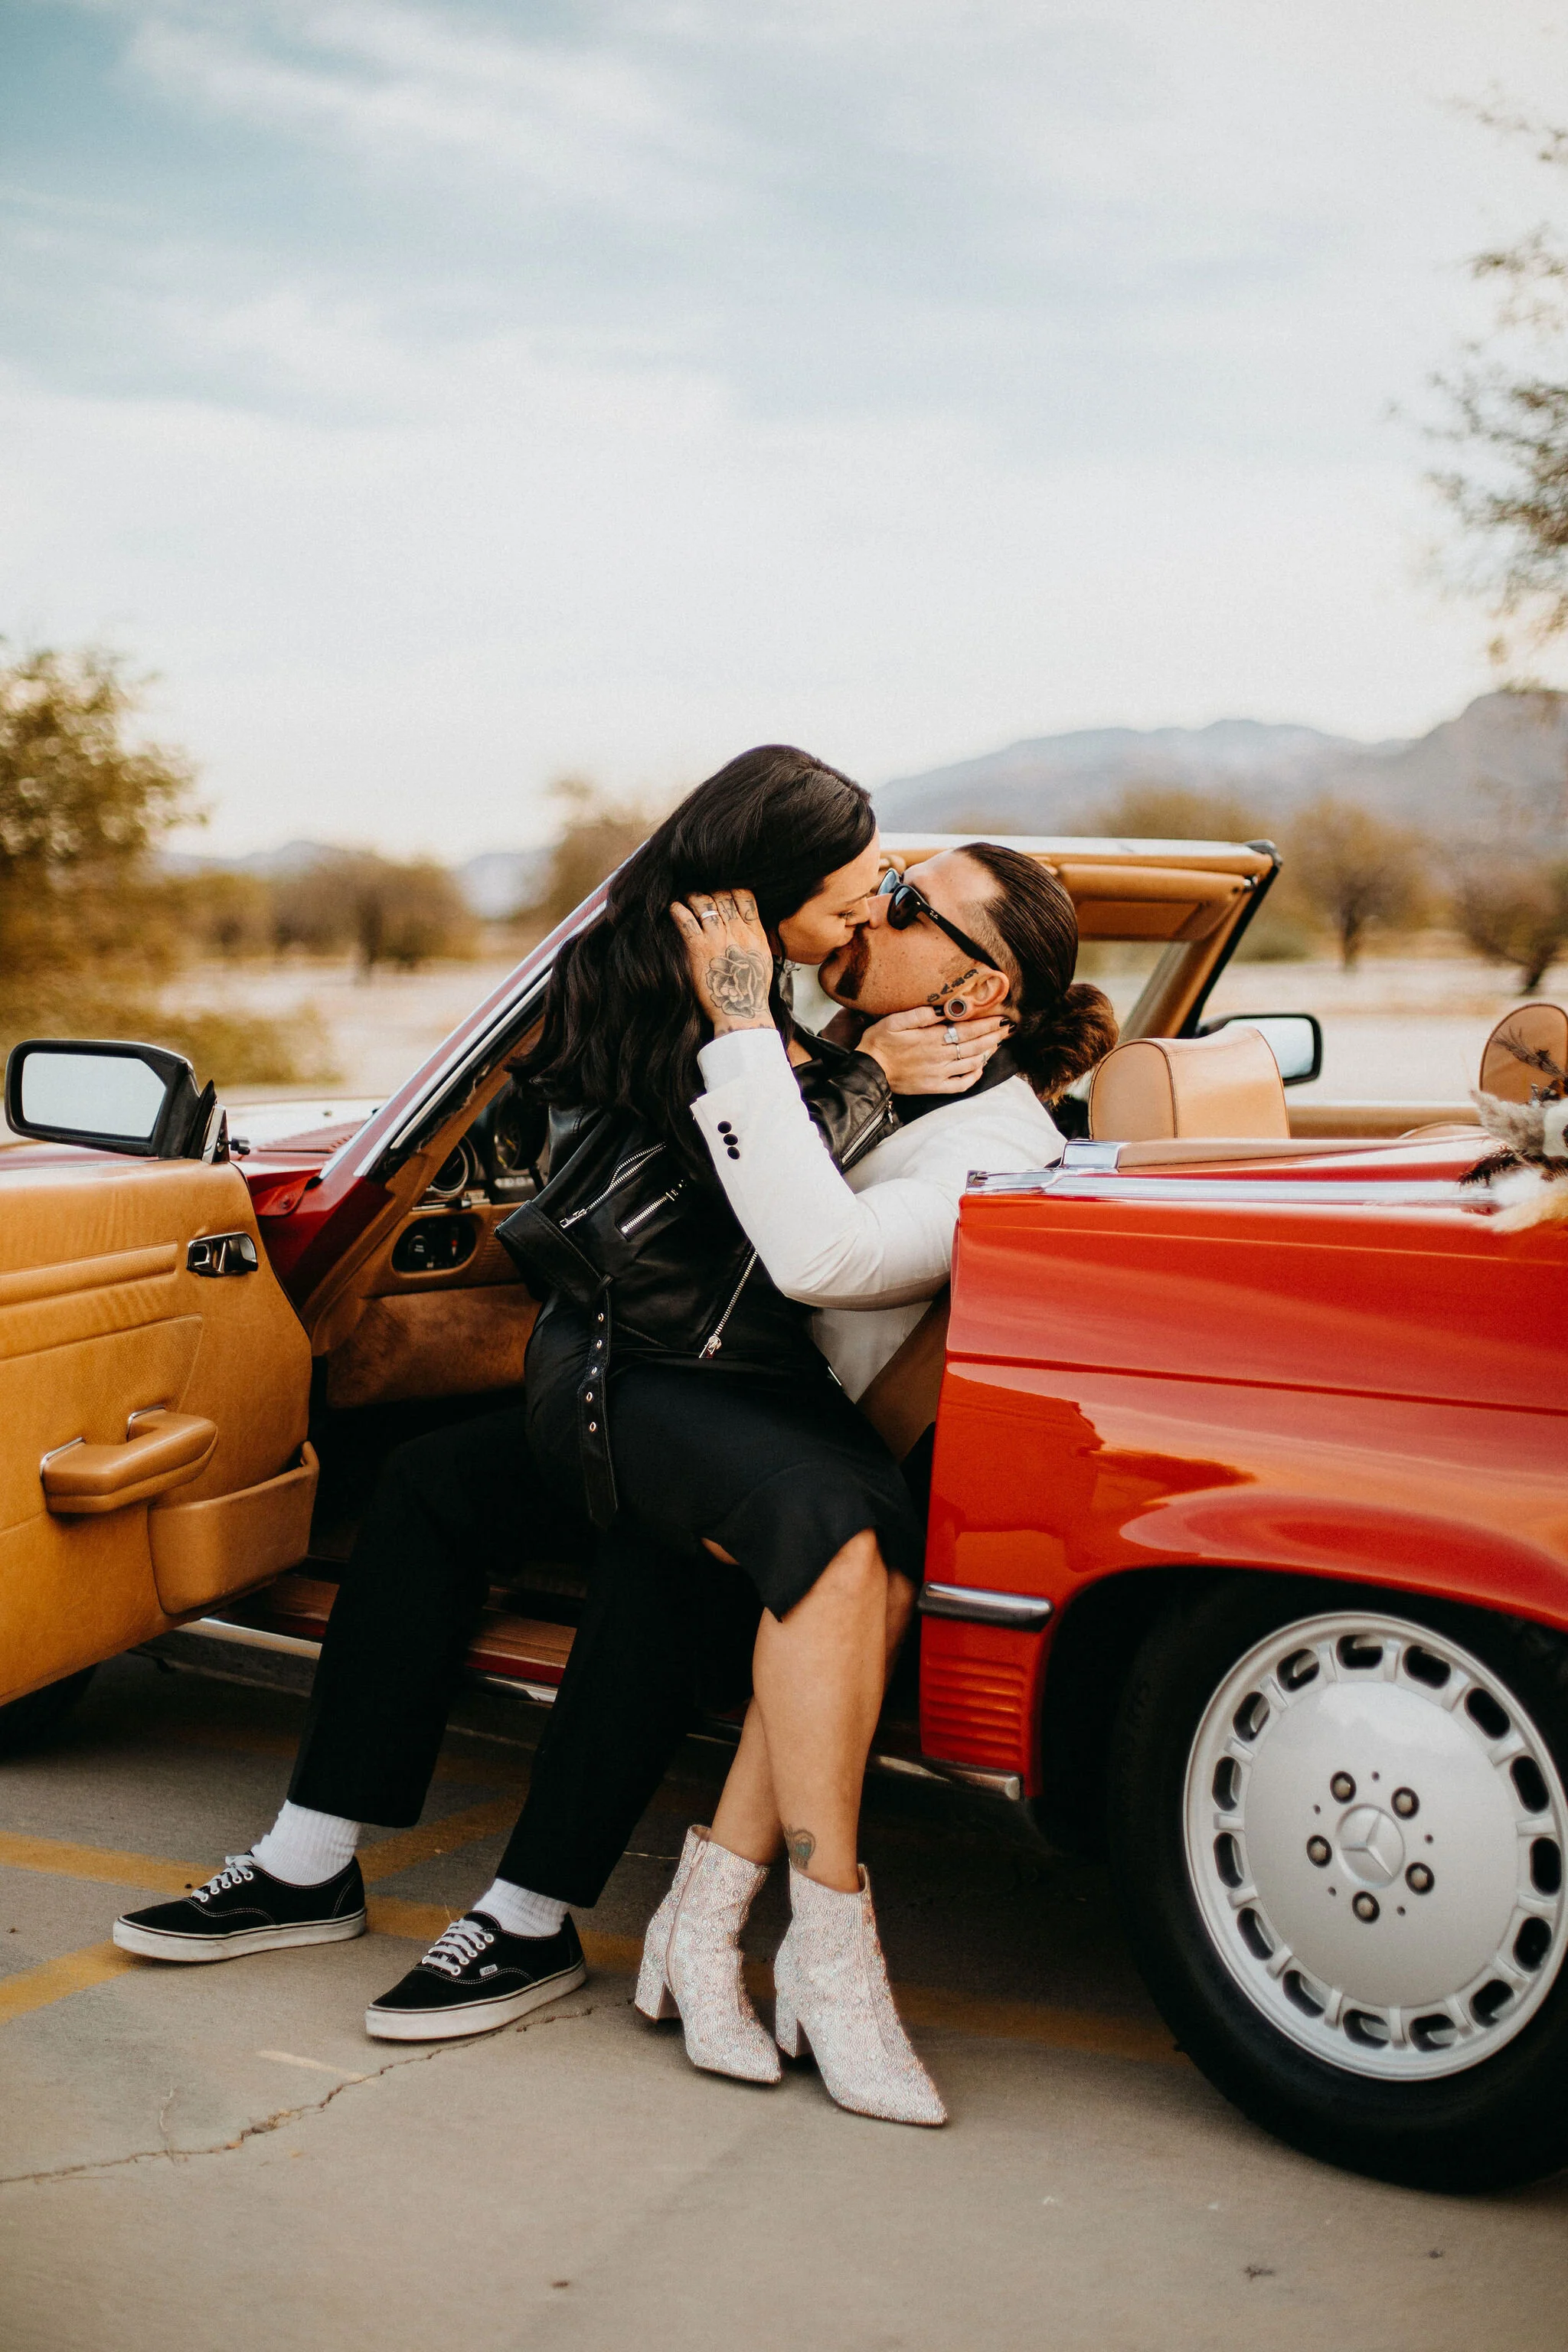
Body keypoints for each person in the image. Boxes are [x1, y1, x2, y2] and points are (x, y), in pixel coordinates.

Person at [113, 763, 1114, 2126]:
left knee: (661, 1551)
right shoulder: (823, 1050)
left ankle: (531, 1916)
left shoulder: (993, 1136)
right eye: (873, 887)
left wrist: (800, 1045)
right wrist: (827, 1056)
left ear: (982, 988)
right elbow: (678, 1193)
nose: (871, 911)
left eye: (907, 903)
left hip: (771, 1434)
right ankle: (309, 1859)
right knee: (422, 1485)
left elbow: (815, 1253)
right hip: (665, 1392)